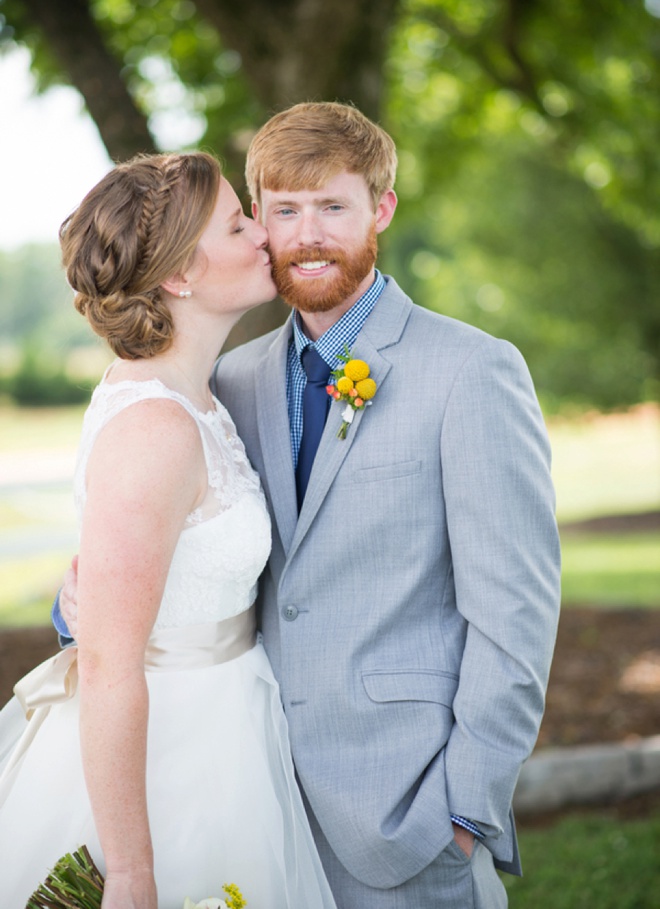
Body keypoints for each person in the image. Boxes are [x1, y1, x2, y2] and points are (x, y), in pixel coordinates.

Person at [56, 102, 561, 908]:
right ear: (258, 220)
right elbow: (159, 548)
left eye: (334, 205)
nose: (308, 233)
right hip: (250, 793)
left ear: (382, 209)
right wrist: (75, 601)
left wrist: (465, 804)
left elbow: (517, 612)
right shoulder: (227, 383)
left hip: (406, 808)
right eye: (284, 210)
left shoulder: (471, 371)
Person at [0, 152, 337, 909]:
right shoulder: (155, 426)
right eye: (238, 222)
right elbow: (110, 666)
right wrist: (130, 873)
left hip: (230, 729)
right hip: (171, 761)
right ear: (181, 274)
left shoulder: (198, 398)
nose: (263, 236)